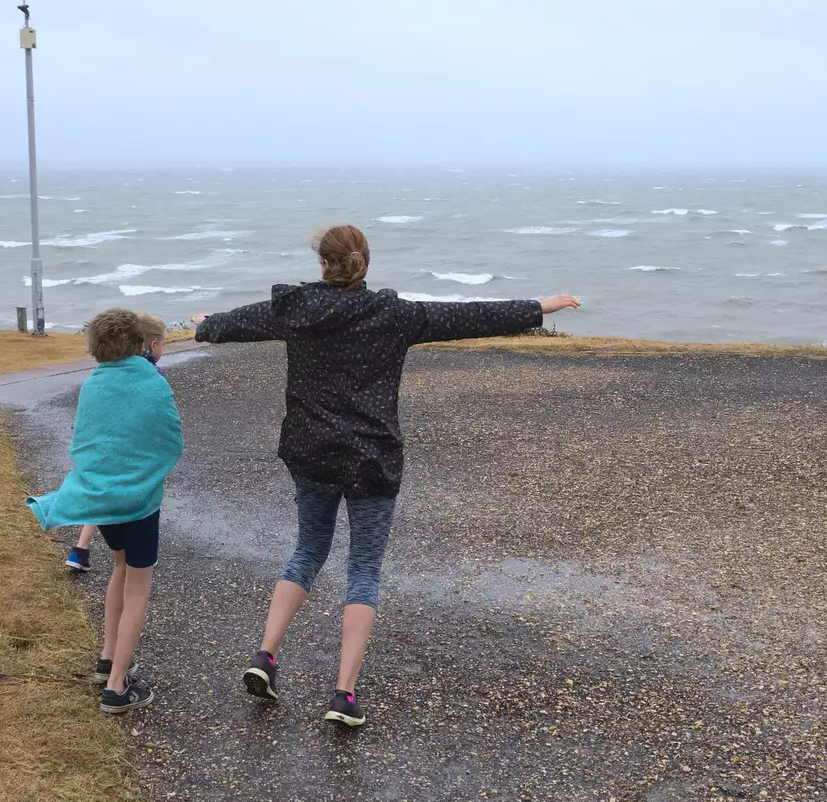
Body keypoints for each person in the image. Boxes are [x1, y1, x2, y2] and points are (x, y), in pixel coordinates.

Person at [193, 224, 579, 727]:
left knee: (308, 548)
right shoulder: (394, 315)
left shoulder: (296, 310)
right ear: (364, 263)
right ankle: (343, 695)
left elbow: (234, 323)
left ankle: (265, 656)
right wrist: (538, 307)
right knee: (364, 568)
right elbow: (466, 316)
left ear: (322, 263)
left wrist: (205, 324)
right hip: (371, 457)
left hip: (311, 452)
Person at [28, 309, 182, 714]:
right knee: (138, 586)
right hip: (140, 502)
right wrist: (147, 474)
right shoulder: (152, 381)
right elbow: (170, 438)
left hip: (103, 499)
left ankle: (107, 657)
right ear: (139, 346)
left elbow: (88, 438)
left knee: (119, 568)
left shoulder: (92, 384)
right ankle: (117, 686)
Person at [63, 320, 167, 574]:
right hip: (134, 455)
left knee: (101, 491)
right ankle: (134, 557)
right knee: (135, 503)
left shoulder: (107, 372)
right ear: (150, 344)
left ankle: (81, 547)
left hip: (104, 447)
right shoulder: (152, 375)